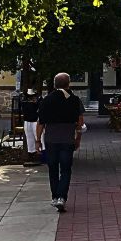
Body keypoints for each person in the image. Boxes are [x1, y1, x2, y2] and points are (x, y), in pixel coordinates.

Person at [36, 73, 84, 211]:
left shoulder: (46, 100)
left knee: (52, 168)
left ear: (55, 84)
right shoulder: (75, 100)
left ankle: (55, 196)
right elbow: (80, 122)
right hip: (67, 139)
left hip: (50, 139)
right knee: (66, 169)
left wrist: (38, 140)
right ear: (69, 84)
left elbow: (40, 123)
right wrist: (78, 138)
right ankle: (62, 197)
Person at [21, 89, 41, 162]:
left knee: (36, 136)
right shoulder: (25, 102)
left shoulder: (36, 103)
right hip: (29, 121)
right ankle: (32, 153)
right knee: (30, 137)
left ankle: (36, 153)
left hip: (34, 121)